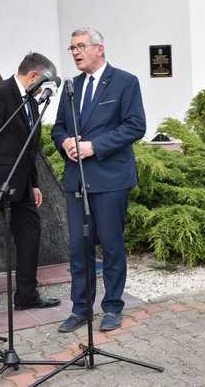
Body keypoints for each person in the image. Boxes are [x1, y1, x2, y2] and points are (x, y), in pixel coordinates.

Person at [52, 28, 146, 332]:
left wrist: (95, 146)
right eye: (72, 48)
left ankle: (112, 307)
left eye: (81, 46)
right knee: (79, 246)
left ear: (99, 49)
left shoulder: (125, 82)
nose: (76, 52)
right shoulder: (71, 87)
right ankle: (80, 308)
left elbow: (135, 126)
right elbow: (58, 128)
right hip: (77, 180)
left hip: (110, 178)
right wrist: (65, 142)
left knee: (111, 245)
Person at [0, 53, 61, 331]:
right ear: (34, 76)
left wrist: (34, 183)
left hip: (22, 186)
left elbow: (29, 147)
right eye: (46, 83)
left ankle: (27, 295)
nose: (46, 90)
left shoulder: (31, 101)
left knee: (30, 236)